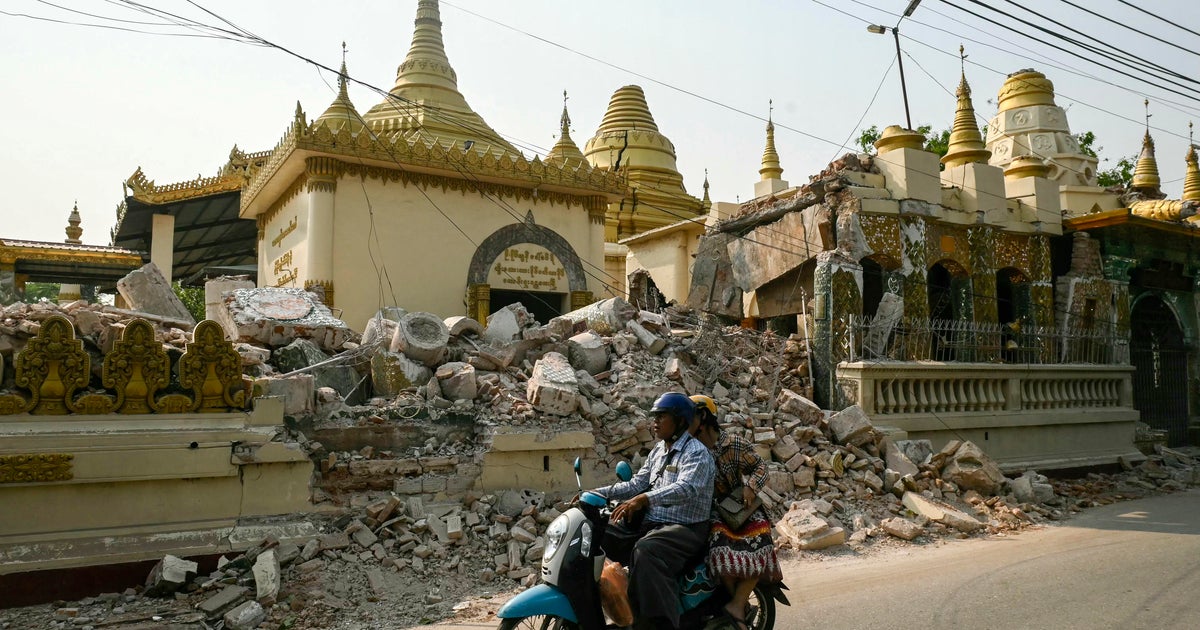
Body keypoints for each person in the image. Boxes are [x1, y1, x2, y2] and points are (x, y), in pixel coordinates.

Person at [590, 392, 716, 630]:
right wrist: (597, 493)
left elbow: (686, 488)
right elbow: (636, 483)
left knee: (646, 550)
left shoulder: (697, 453)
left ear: (680, 421)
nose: (655, 422)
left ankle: (658, 623)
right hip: (655, 523)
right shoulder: (659, 449)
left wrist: (645, 499)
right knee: (599, 535)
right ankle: (612, 605)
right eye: (654, 416)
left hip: (686, 528)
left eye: (662, 416)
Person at [691, 395, 782, 630]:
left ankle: (737, 604)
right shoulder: (693, 450)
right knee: (719, 552)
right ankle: (738, 606)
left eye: (690, 415)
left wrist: (750, 486)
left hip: (743, 510)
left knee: (762, 548)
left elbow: (760, 467)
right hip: (715, 514)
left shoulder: (734, 444)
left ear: (703, 417)